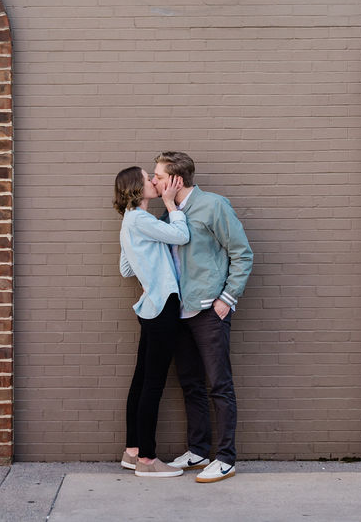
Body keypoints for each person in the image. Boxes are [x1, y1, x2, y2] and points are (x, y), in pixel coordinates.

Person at [152, 151, 253, 484]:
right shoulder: (170, 214)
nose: (154, 181)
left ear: (176, 180)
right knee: (191, 385)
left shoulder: (214, 206)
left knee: (219, 386)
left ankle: (225, 458)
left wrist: (226, 299)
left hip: (209, 310)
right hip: (179, 312)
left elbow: (242, 253)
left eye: (159, 176)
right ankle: (197, 450)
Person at [114, 166, 189, 478]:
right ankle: (147, 460)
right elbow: (182, 235)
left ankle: (132, 452)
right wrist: (171, 205)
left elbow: (125, 268)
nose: (154, 182)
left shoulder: (130, 222)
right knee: (153, 385)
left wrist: (148, 266)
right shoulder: (141, 219)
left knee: (142, 380)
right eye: (148, 179)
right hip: (164, 306)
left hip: (151, 307)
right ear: (136, 187)